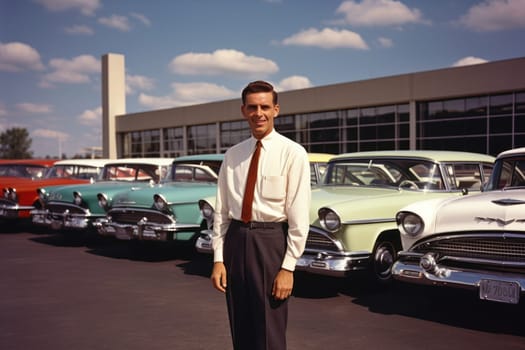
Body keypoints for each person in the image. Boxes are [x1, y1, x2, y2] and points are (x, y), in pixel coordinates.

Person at [211, 80, 311, 350]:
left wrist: (288, 267)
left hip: (270, 244)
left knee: (269, 331)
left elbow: (299, 217)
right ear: (243, 110)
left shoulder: (293, 153)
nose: (259, 113)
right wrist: (219, 259)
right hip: (235, 241)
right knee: (240, 327)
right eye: (252, 107)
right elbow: (221, 212)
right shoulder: (233, 156)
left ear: (276, 109)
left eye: (265, 106)